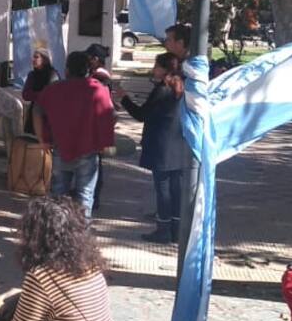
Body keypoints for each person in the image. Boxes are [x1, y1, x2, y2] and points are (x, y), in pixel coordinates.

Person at [32, 52, 116, 218]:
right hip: (88, 150)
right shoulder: (98, 89)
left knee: (57, 196)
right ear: (88, 69)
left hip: (60, 148)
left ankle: (55, 230)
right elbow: (111, 116)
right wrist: (104, 141)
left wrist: (42, 139)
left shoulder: (54, 89)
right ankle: (81, 232)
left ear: (67, 69)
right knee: (85, 197)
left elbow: (37, 111)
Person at [114, 53, 185, 243]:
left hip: (161, 146)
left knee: (163, 189)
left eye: (157, 66)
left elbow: (141, 115)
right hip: (178, 145)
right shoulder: (181, 87)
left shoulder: (162, 90)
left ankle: (163, 229)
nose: (154, 70)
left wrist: (124, 98)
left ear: (165, 69)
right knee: (176, 189)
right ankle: (177, 230)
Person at [83, 43, 114, 213]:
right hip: (97, 124)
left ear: (95, 59)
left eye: (89, 57)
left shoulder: (100, 78)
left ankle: (93, 197)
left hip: (96, 124)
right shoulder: (100, 75)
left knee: (95, 163)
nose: (87, 60)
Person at [21, 49, 58, 135]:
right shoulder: (32, 75)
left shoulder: (52, 74)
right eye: (33, 57)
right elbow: (26, 95)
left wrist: (36, 95)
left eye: (36, 57)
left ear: (44, 59)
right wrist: (40, 94)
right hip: (34, 112)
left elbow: (50, 95)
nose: (33, 60)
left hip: (48, 114)